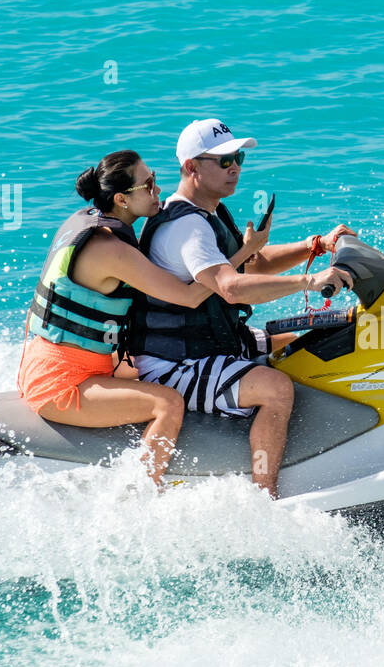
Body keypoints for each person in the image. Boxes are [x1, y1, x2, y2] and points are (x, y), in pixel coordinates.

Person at [17, 149, 268, 486]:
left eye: (156, 180)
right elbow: (192, 296)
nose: (158, 191)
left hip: (52, 362)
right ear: (121, 199)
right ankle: (142, 493)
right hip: (64, 383)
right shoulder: (112, 251)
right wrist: (243, 253)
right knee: (167, 403)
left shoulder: (86, 221)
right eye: (148, 185)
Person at [131, 119, 354, 498]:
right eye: (223, 160)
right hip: (174, 364)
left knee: (298, 344)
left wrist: (316, 245)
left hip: (211, 341)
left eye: (238, 157)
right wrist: (309, 281)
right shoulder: (189, 229)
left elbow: (252, 265)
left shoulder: (210, 211)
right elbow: (232, 288)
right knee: (276, 388)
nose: (234, 166)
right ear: (191, 167)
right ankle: (264, 498)